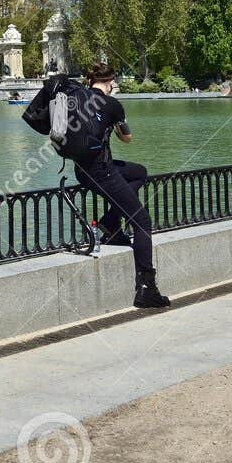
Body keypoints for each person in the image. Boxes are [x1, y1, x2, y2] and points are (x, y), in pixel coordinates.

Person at [72, 63, 170, 309]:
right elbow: (127, 138)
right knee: (142, 222)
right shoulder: (111, 104)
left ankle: (111, 222)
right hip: (103, 172)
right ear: (111, 82)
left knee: (139, 172)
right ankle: (147, 289)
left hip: (82, 172)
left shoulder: (76, 100)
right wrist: (114, 120)